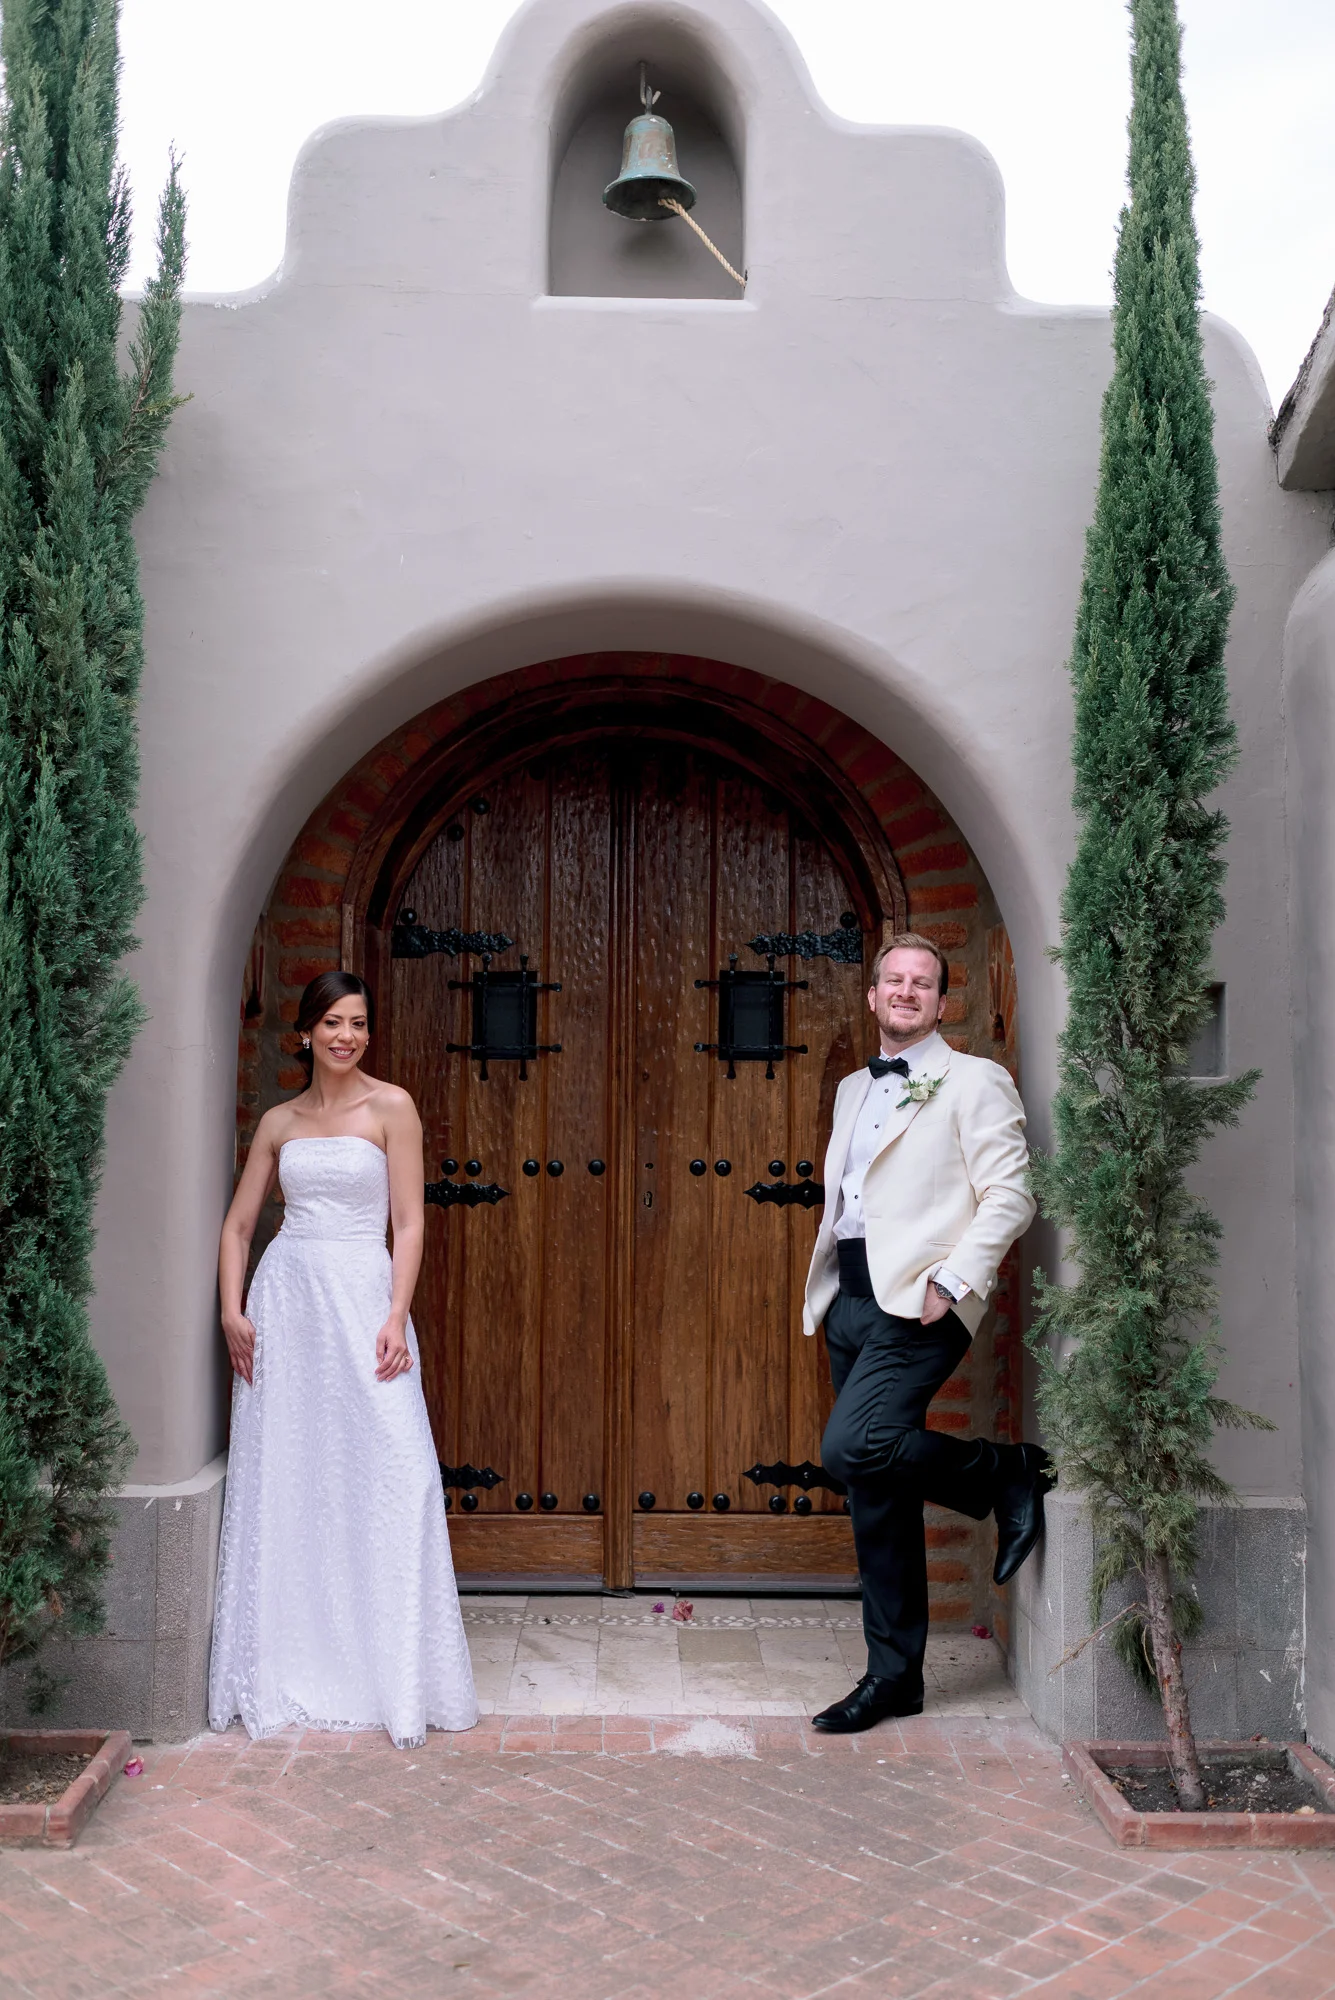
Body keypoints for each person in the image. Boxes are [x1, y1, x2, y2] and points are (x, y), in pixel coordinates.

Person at [209, 969, 477, 1746]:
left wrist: (396, 1312)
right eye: (331, 1022)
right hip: (286, 1306)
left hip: (364, 1302)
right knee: (293, 1478)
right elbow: (236, 1228)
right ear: (304, 1033)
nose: (345, 1036)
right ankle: (295, 1662)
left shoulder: (391, 1106)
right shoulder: (277, 1122)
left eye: (357, 1022)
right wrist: (232, 1311)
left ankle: (392, 1673)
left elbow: (409, 1222)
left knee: (400, 1471)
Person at [803, 932, 1048, 1734]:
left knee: (851, 1448)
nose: (905, 992)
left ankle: (1002, 1473)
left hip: (924, 1298)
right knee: (876, 1491)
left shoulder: (975, 1080)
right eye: (893, 981)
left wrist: (954, 1278)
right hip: (850, 1293)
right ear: (872, 997)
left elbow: (1010, 1195)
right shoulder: (850, 1089)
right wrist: (834, 1292)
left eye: (922, 984)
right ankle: (894, 1677)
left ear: (942, 1003)